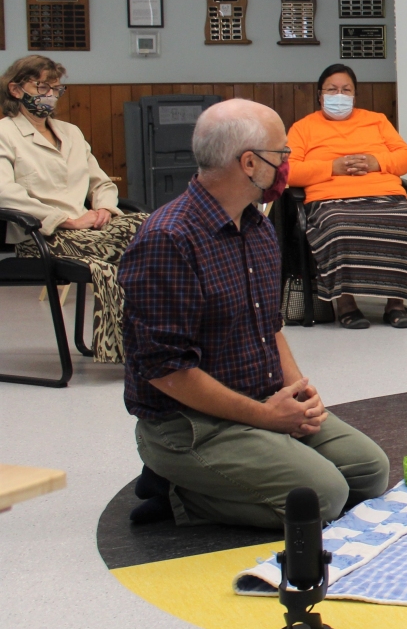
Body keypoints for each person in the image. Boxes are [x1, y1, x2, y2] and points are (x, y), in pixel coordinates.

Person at [120, 98, 390, 527]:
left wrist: (298, 393)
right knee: (324, 497)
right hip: (191, 424)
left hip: (260, 400)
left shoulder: (257, 225)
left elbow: (270, 326)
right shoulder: (167, 239)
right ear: (249, 162)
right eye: (282, 154)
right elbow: (164, 370)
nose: (287, 163)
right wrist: (266, 418)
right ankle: (176, 490)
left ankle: (247, 466)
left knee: (370, 472)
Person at [0, 55, 145, 363]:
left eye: (55, 88)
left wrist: (105, 208)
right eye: (41, 86)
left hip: (91, 228)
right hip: (42, 236)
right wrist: (66, 220)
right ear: (15, 90)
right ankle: (131, 344)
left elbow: (102, 183)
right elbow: (5, 193)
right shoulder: (5, 134)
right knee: (136, 247)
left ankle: (159, 337)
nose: (50, 94)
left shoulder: (71, 133)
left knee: (151, 228)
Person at [286, 64, 407, 329]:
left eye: (346, 90)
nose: (339, 94)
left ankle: (395, 305)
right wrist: (330, 168)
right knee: (339, 226)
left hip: (384, 194)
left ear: (354, 95)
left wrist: (376, 162)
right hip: (331, 201)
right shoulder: (303, 128)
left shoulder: (377, 120)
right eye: (332, 89)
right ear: (320, 94)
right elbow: (288, 171)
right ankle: (346, 305)